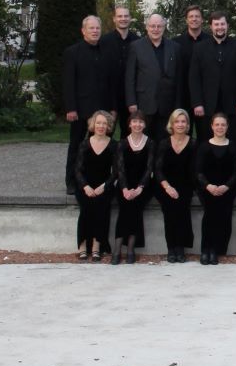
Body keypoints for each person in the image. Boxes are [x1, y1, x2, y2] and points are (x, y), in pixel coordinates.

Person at [63, 15, 118, 192]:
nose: (95, 31)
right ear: (83, 30)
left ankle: (97, 178)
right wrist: (71, 108)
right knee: (77, 145)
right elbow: (68, 82)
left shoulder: (108, 52)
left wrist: (113, 108)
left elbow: (112, 82)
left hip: (103, 110)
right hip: (80, 109)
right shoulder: (73, 52)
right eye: (91, 28)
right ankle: (71, 181)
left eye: (97, 28)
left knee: (102, 146)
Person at [189, 12, 236, 147]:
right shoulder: (200, 48)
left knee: (234, 141)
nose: (220, 27)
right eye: (216, 24)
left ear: (228, 25)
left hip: (233, 105)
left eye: (222, 24)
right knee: (205, 141)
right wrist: (197, 103)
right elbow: (194, 78)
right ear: (210, 26)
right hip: (206, 105)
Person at [126, 12, 179, 140]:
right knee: (144, 141)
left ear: (164, 27)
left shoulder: (174, 47)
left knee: (164, 142)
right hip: (144, 102)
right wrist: (131, 101)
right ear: (147, 27)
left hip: (167, 104)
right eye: (152, 26)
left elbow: (178, 78)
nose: (156, 29)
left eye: (159, 26)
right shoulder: (136, 47)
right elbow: (130, 77)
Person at [74, 108, 117, 261]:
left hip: (104, 186)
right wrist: (86, 187)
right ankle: (83, 246)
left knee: (101, 210)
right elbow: (77, 170)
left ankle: (97, 246)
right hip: (85, 186)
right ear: (93, 124)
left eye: (104, 123)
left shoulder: (113, 145)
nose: (101, 126)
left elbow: (116, 172)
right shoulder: (84, 144)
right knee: (86, 210)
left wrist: (103, 187)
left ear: (108, 126)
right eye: (98, 123)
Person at [195, 111, 236, 265]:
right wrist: (208, 186)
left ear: (227, 127)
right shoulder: (204, 146)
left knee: (223, 219)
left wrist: (226, 186)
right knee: (209, 218)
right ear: (212, 126)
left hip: (227, 189)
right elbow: (198, 171)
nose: (220, 127)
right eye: (217, 124)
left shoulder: (233, 147)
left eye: (223, 125)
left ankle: (216, 250)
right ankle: (205, 249)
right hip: (207, 190)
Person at [111, 111, 152, 264]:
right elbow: (119, 170)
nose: (137, 124)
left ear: (144, 125)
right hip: (124, 185)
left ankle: (129, 248)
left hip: (143, 185)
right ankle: (119, 248)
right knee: (126, 208)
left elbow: (149, 169)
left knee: (135, 207)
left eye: (141, 122)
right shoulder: (122, 143)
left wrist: (140, 188)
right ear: (129, 124)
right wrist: (125, 189)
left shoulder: (150, 143)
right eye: (134, 121)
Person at [155, 108, 196, 262]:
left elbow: (194, 170)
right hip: (165, 184)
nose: (180, 124)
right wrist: (167, 187)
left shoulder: (193, 143)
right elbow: (158, 169)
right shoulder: (164, 143)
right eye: (177, 121)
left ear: (187, 124)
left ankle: (181, 248)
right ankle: (171, 248)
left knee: (182, 209)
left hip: (186, 185)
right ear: (171, 124)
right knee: (169, 211)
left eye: (183, 121)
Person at [99, 4, 138, 122]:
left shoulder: (138, 41)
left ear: (130, 18)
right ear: (114, 19)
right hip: (110, 94)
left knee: (128, 132)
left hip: (130, 95)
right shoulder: (104, 41)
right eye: (120, 16)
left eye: (126, 16)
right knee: (106, 130)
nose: (123, 19)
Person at [173, 5, 206, 116]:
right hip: (183, 96)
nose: (194, 19)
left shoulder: (210, 42)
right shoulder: (176, 43)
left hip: (204, 97)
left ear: (202, 20)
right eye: (191, 16)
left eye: (197, 16)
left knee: (205, 133)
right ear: (186, 20)